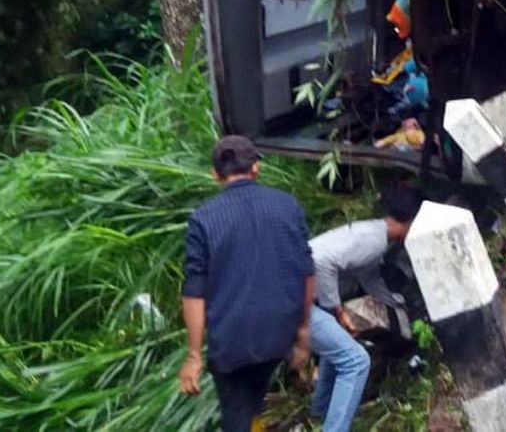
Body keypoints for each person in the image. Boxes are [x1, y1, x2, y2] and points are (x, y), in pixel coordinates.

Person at [180, 136, 316, 432]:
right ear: (256, 168)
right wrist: (303, 332)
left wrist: (193, 355)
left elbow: (194, 291)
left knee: (239, 414)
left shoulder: (202, 220)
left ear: (215, 174)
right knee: (259, 404)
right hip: (279, 335)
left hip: (233, 345)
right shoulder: (287, 205)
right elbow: (308, 271)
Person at [306, 186, 424, 432]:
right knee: (356, 361)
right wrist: (337, 311)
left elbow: (369, 276)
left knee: (334, 349)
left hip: (304, 292)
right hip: (297, 294)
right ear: (411, 221)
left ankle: (320, 410)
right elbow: (321, 262)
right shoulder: (373, 240)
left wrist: (392, 302)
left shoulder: (376, 235)